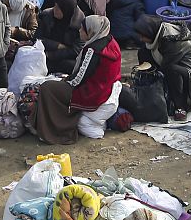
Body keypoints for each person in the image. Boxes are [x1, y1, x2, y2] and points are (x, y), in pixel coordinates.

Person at [29, 14, 122, 144]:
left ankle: (57, 129)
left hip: (91, 92)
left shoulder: (93, 50)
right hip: (104, 87)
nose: (79, 31)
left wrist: (64, 81)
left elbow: (78, 79)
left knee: (47, 87)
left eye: (82, 29)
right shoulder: (110, 42)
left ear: (90, 32)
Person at [135, 15, 191, 120]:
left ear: (150, 32)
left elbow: (166, 65)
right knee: (143, 52)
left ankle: (180, 107)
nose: (141, 39)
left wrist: (153, 71)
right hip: (172, 65)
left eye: (143, 36)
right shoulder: (158, 35)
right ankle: (148, 91)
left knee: (171, 70)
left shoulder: (172, 40)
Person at [37, 0, 84, 74]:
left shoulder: (79, 24)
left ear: (66, 10)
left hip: (62, 57)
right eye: (55, 6)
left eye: (58, 8)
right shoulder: (46, 15)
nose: (54, 10)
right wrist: (57, 45)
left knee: (71, 65)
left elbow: (76, 50)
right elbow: (37, 38)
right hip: (44, 52)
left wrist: (51, 55)